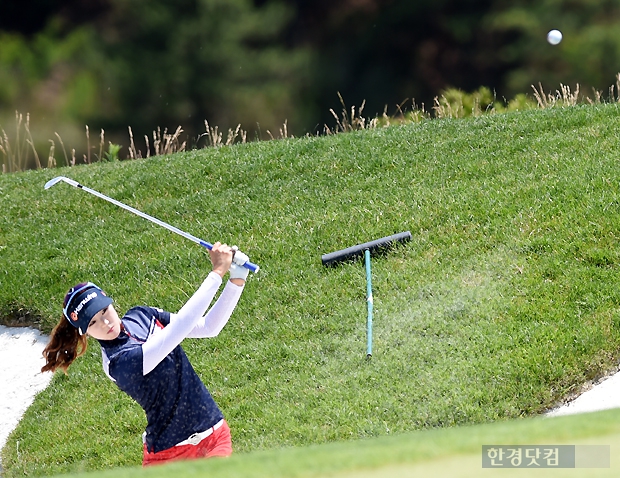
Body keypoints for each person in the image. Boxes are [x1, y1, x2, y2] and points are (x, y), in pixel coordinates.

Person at [41, 242, 249, 466]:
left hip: (214, 435)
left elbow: (208, 327)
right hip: (170, 456)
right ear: (85, 333)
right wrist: (217, 272)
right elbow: (178, 330)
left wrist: (237, 278)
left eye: (104, 311)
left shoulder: (142, 315)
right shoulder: (118, 363)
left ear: (110, 302)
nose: (105, 322)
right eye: (93, 322)